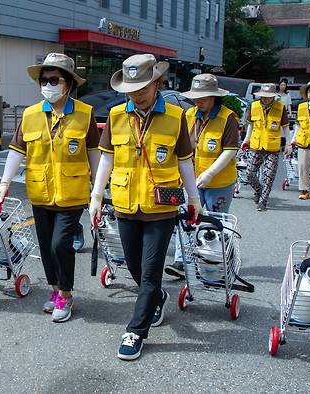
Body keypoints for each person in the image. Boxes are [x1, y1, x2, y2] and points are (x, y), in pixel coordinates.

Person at [89, 54, 201, 361]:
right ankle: (158, 298)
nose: (137, 94)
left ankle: (135, 331)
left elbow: (184, 161)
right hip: (125, 203)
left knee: (150, 272)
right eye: (131, 88)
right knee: (135, 267)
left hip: (160, 206)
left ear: (157, 82)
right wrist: (96, 196)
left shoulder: (177, 116)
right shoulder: (115, 116)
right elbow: (107, 158)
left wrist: (194, 198)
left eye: (143, 87)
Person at [0, 53, 100, 323]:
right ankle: (55, 291)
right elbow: (17, 152)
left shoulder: (85, 114)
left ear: (68, 83)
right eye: (44, 80)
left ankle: (66, 294)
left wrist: (99, 192)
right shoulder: (30, 115)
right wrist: (4, 184)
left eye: (54, 80)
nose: (48, 85)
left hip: (73, 194)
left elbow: (94, 155)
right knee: (45, 247)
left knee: (59, 245)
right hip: (40, 193)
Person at [165, 73, 239, 278]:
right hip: (191, 181)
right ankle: (182, 261)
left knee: (215, 223)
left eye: (203, 97)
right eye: (196, 97)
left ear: (214, 97)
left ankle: (217, 261)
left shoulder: (228, 118)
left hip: (219, 182)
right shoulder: (188, 115)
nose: (198, 101)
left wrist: (210, 173)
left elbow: (230, 150)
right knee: (185, 219)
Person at [241, 83, 290, 211]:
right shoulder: (254, 106)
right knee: (249, 172)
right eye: (263, 96)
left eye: (268, 97)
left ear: (273, 97)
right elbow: (251, 125)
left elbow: (285, 127)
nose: (265, 99)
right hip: (256, 145)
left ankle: (263, 201)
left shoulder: (280, 107)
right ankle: (259, 190)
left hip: (272, 147)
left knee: (269, 175)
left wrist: (289, 144)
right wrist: (246, 139)